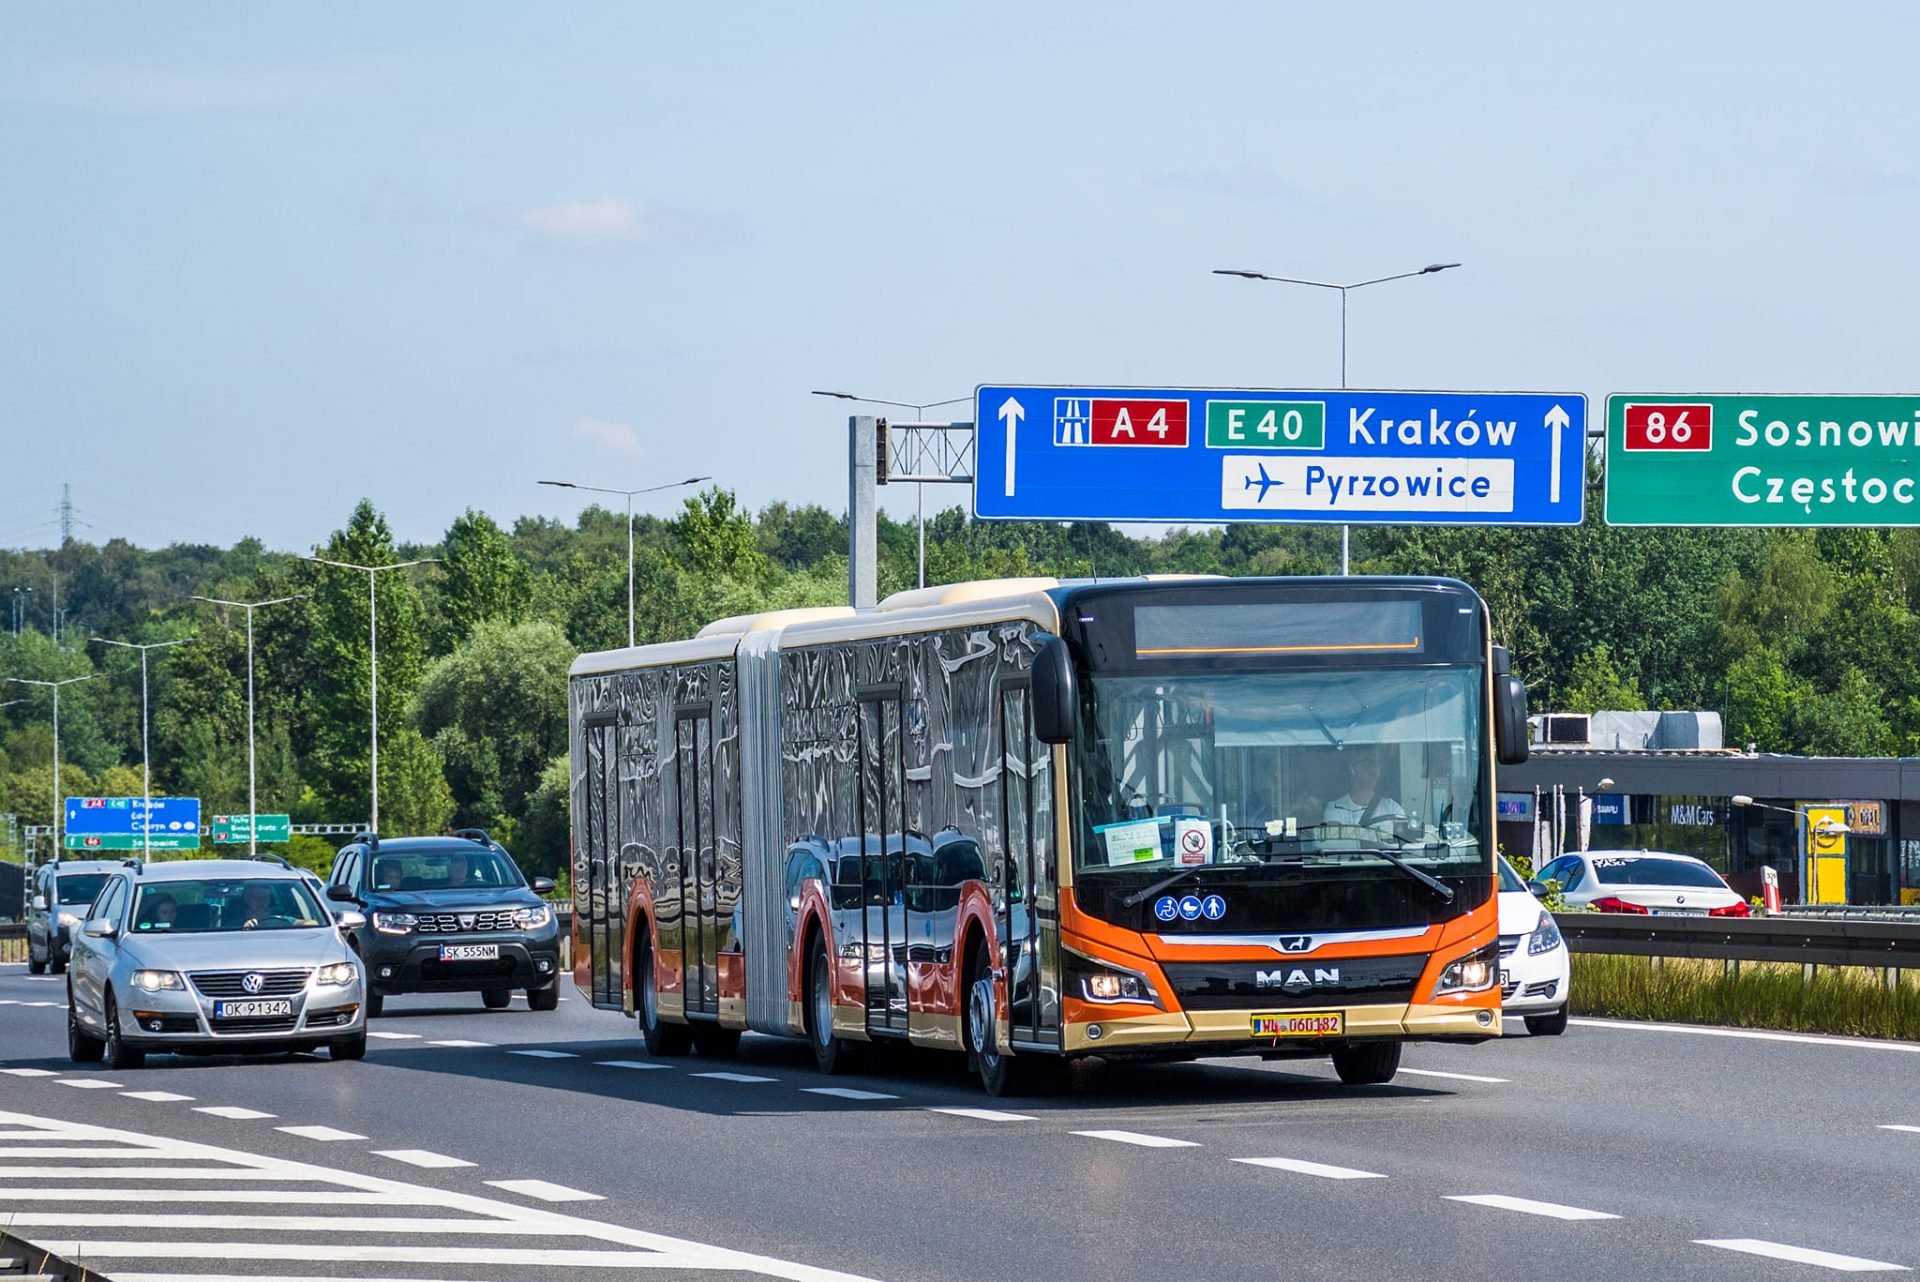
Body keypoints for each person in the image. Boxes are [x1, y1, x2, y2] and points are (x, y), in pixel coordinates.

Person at [1323, 752, 1406, 832]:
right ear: (1353, 769)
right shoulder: (1335, 809)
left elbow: (1404, 839)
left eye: (1376, 763)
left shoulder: (1392, 808)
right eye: (1367, 763)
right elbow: (1335, 843)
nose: (1374, 768)